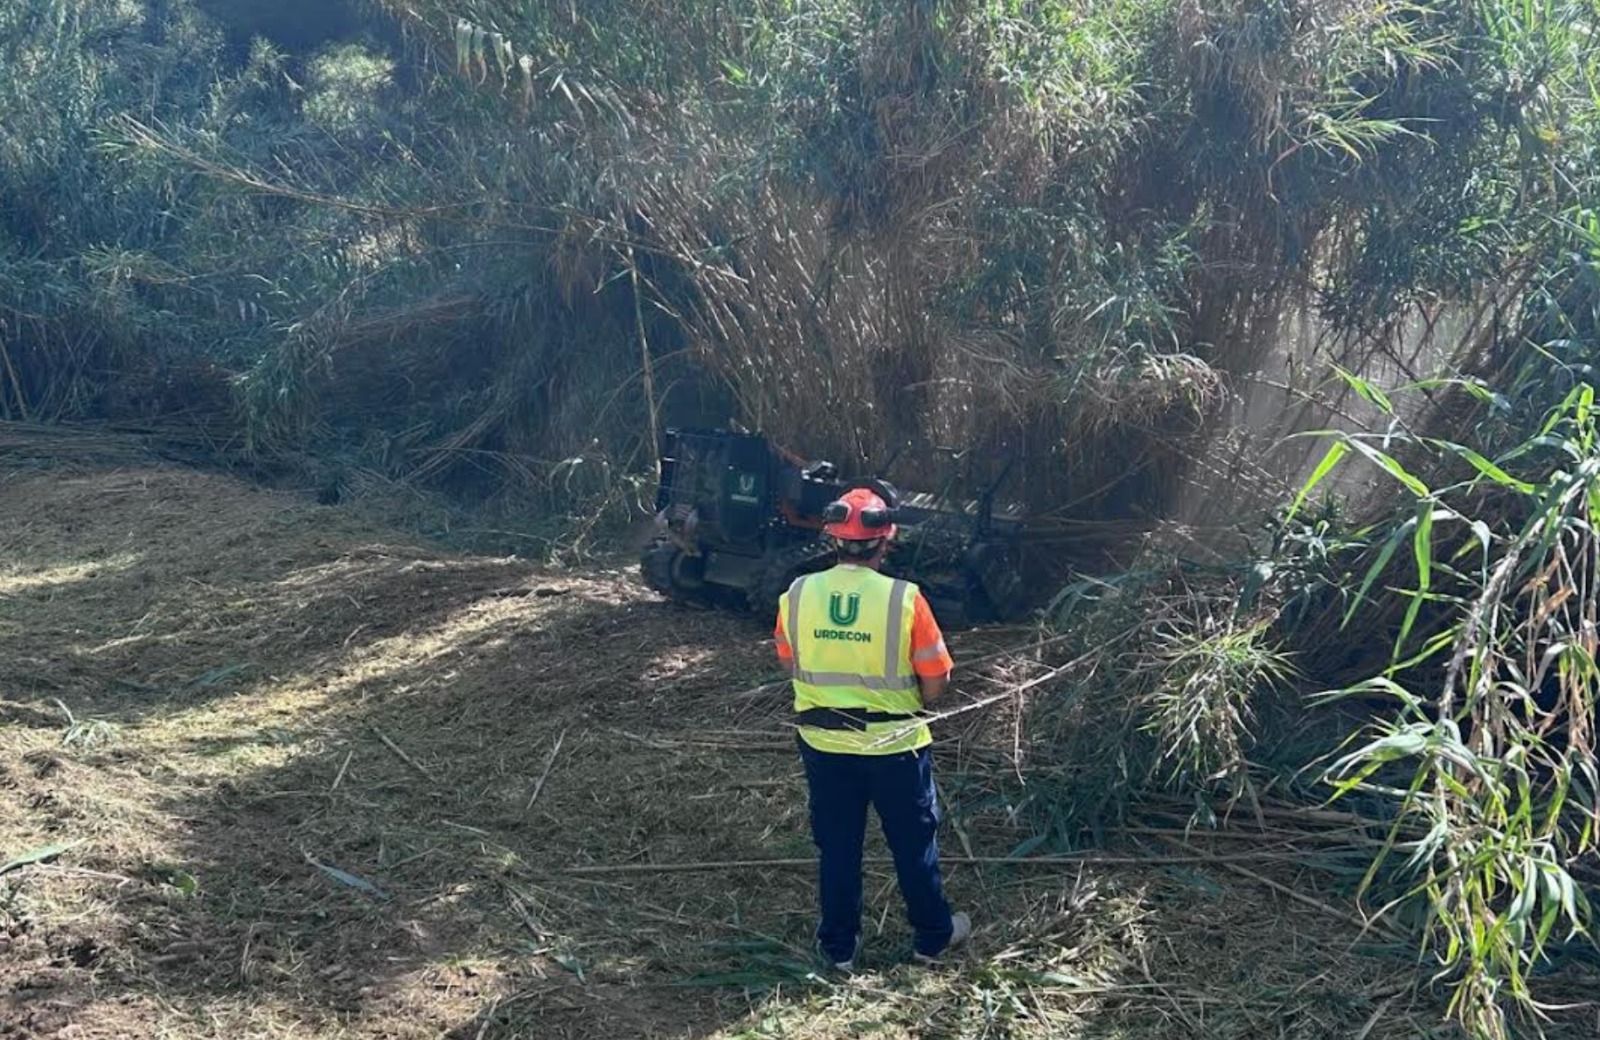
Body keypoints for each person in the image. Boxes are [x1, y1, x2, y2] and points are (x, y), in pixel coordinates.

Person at [774, 486, 972, 970]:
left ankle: (839, 949)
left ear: (832, 538)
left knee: (838, 845)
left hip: (823, 742)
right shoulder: (905, 600)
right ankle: (932, 938)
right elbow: (936, 680)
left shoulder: (797, 594)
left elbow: (789, 664)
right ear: (888, 539)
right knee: (912, 843)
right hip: (895, 745)